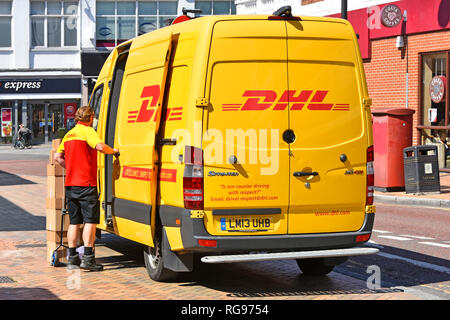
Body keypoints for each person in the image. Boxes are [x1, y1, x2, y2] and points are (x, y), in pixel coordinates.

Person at [54, 106, 119, 271]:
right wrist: (114, 152)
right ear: (90, 118)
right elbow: (99, 147)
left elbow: (57, 157)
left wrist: (70, 167)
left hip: (70, 184)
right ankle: (88, 259)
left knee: (74, 222)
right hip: (86, 184)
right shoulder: (87, 131)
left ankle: (72, 258)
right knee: (90, 221)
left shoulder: (69, 134)